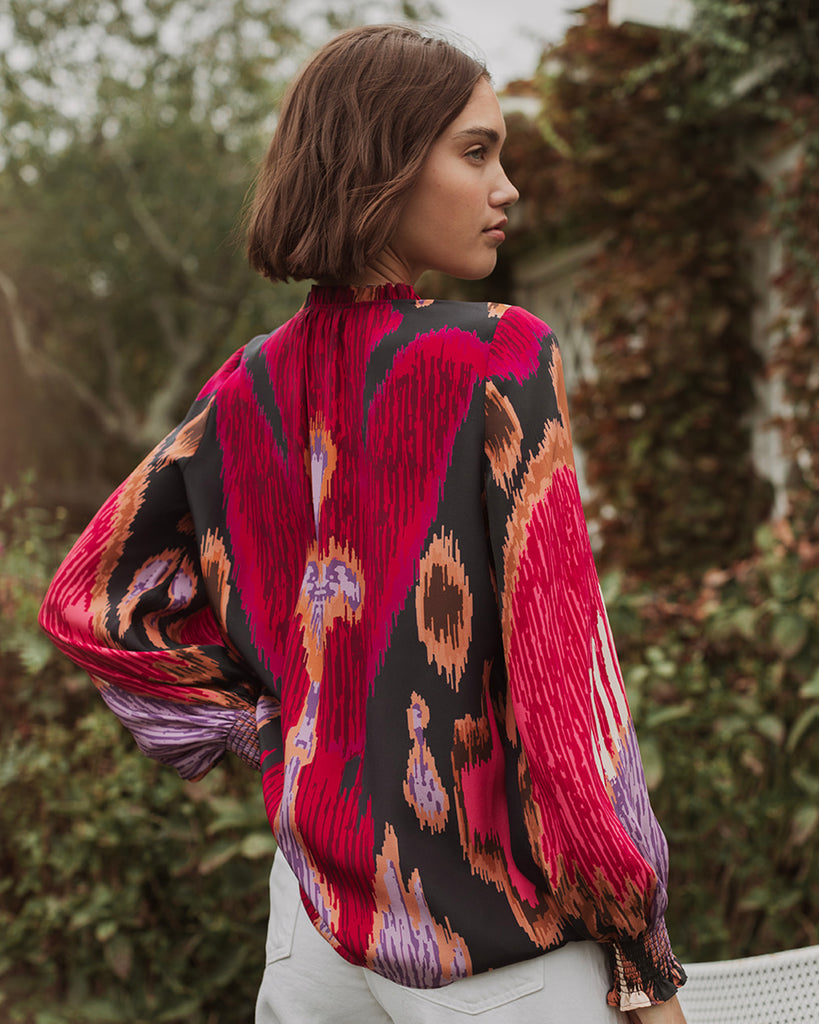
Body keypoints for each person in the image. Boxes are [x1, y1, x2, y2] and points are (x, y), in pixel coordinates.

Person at [40, 23, 689, 1024]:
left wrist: (268, 728)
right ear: (383, 163)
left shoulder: (246, 387)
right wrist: (642, 955)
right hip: (490, 942)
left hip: (312, 927)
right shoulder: (497, 356)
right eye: (476, 152)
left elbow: (89, 600)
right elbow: (565, 693)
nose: (507, 187)